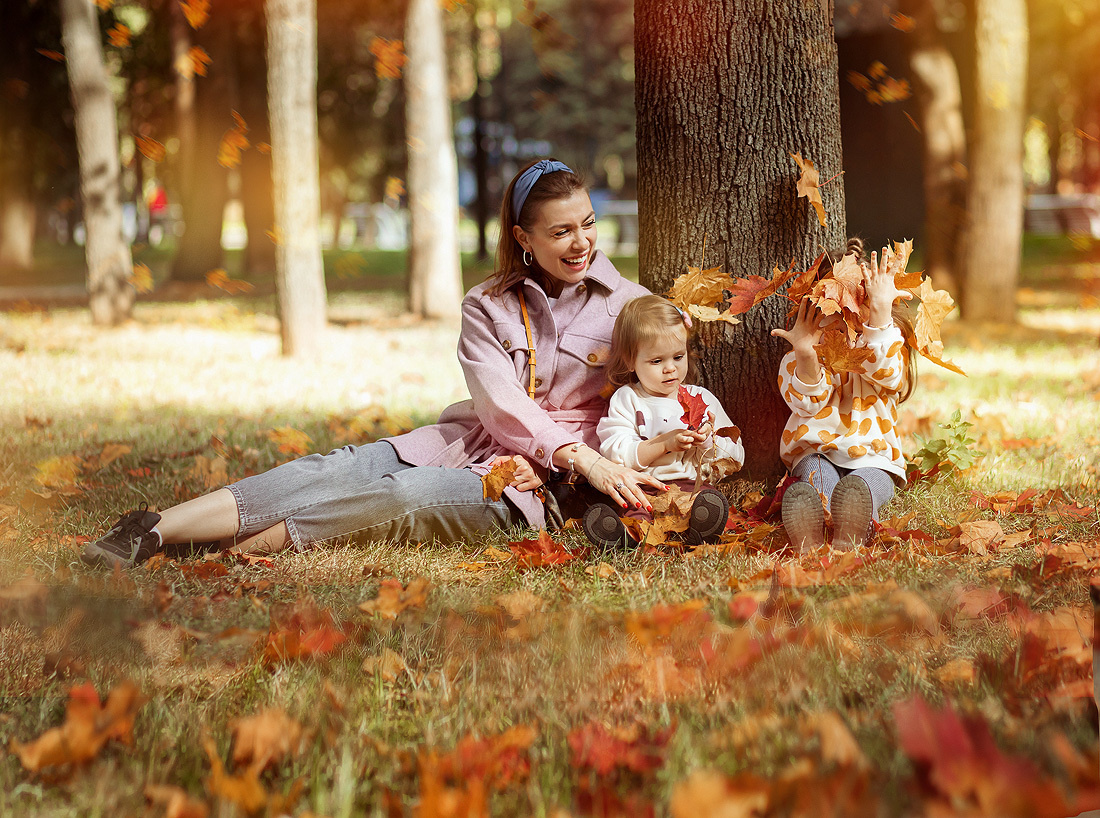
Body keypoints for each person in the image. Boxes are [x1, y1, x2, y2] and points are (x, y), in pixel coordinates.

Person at [82, 158, 655, 569]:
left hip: (532, 487)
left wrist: (576, 464)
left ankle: (242, 550)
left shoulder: (631, 304)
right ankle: (154, 529)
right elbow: (498, 401)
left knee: (403, 497)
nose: (581, 242)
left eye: (587, 225)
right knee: (331, 469)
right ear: (523, 238)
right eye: (561, 231)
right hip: (469, 441)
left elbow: (648, 401)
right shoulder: (487, 304)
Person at [770, 238, 916, 551]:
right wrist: (807, 356)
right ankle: (809, 531)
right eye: (833, 310)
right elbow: (808, 402)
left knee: (861, 489)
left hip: (873, 457)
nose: (843, 319)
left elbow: (888, 372)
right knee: (815, 482)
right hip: (817, 452)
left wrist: (879, 317)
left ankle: (854, 526)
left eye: (855, 310)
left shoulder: (882, 347)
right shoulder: (798, 360)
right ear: (812, 310)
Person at [581, 295, 744, 548]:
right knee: (637, 512)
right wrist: (664, 444)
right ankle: (625, 538)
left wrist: (708, 440)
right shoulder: (628, 399)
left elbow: (734, 455)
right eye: (657, 361)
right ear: (630, 362)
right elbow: (616, 451)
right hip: (645, 488)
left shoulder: (701, 399)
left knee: (707, 501)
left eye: (678, 357)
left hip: (692, 485)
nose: (670, 368)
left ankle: (702, 530)